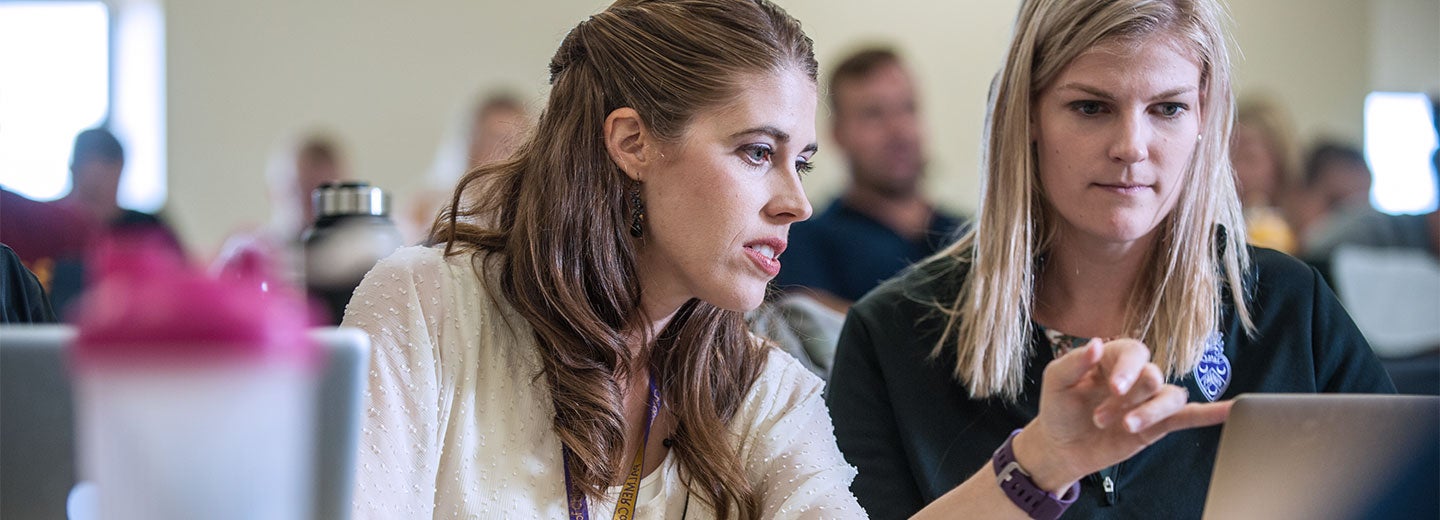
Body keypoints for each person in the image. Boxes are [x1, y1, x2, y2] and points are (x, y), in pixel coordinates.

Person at [826, 0, 1395, 518]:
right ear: (1027, 113)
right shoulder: (891, 337)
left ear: (1204, 118)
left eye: (1167, 109)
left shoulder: (1286, 308)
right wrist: (1036, 468)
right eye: (1091, 107)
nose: (1131, 145)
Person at [343, 1, 864, 518]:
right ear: (633, 142)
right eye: (757, 152)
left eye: (801, 164)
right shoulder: (426, 308)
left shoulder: (765, 388)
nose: (798, 203)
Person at [774, 47, 965, 309]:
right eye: (873, 114)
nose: (899, 131)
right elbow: (814, 329)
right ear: (837, 133)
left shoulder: (969, 236)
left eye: (908, 108)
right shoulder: (805, 244)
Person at [1231, 96, 1301, 253]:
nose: (1235, 169)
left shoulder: (1305, 228)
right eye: (1229, 156)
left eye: (1249, 157)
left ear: (1281, 163)